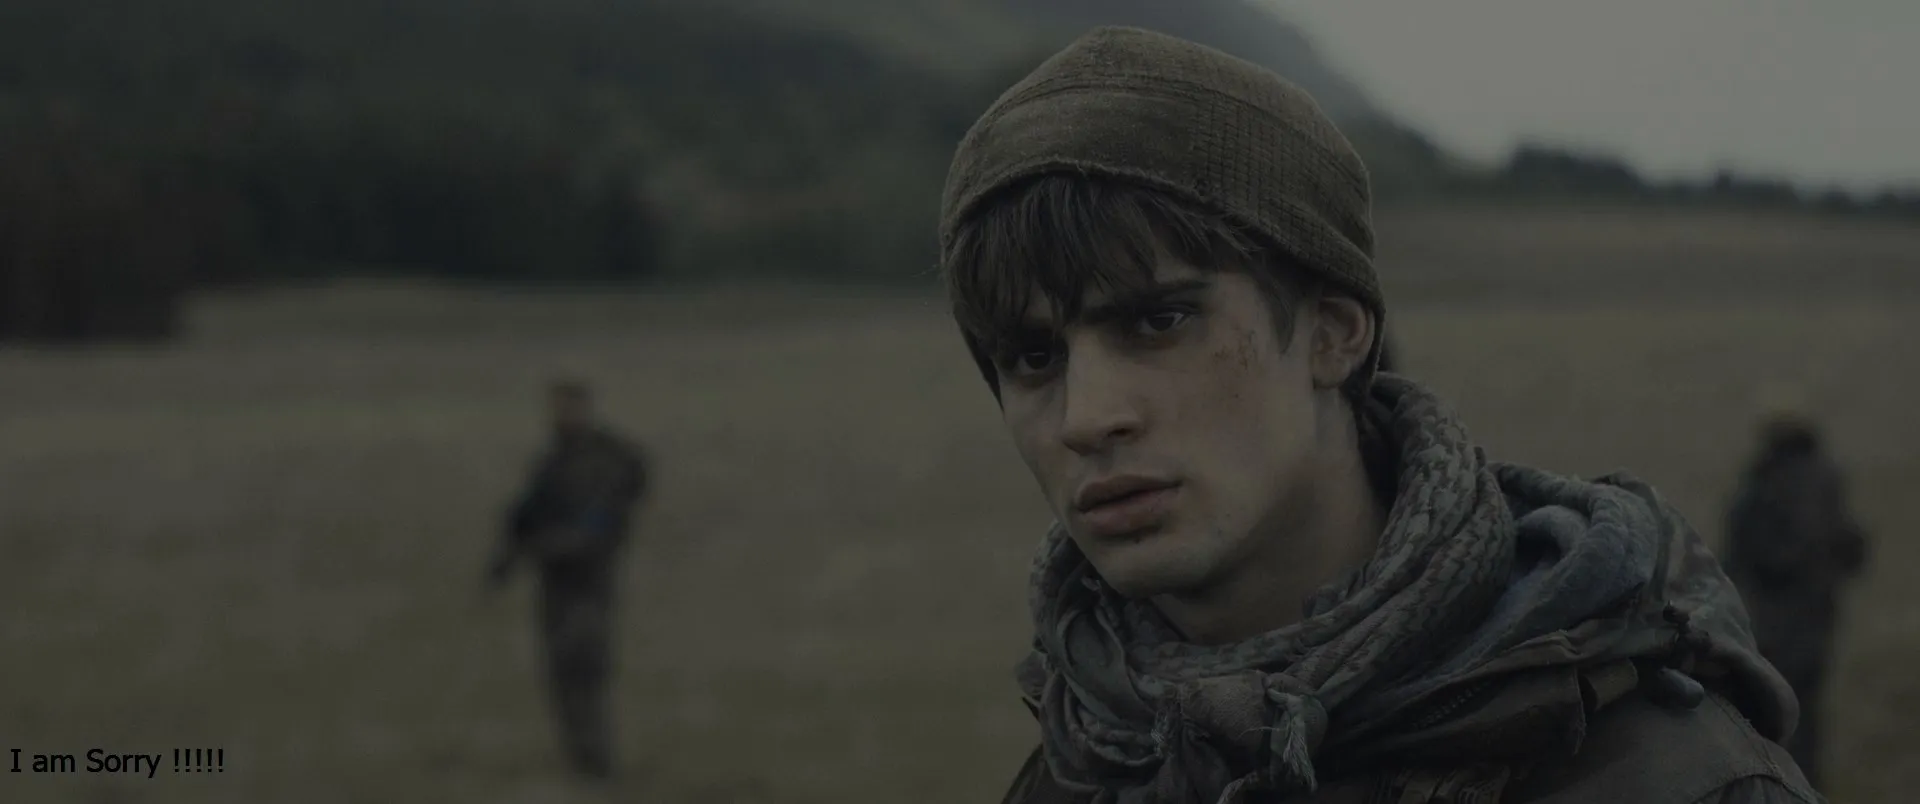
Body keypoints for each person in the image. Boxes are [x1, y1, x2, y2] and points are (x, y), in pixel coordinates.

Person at [935, 26, 1818, 804]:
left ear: (1334, 334)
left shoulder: (1673, 780)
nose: (1086, 418)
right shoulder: (1083, 766)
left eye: (1159, 321)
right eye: (1033, 358)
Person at [484, 379, 648, 780]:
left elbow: (611, 512)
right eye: (557, 408)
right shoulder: (552, 463)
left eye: (569, 407)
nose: (562, 415)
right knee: (559, 670)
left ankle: (597, 758)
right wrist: (505, 564)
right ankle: (581, 756)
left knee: (584, 666)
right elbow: (523, 518)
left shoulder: (606, 459)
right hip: (555, 582)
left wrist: (572, 540)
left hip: (587, 581)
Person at [1722, 398, 1869, 790]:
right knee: (1800, 711)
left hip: (1778, 622)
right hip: (1808, 618)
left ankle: (1784, 786)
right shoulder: (1821, 477)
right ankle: (1801, 786)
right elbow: (1850, 545)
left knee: (1777, 711)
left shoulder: (1764, 480)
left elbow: (1739, 554)